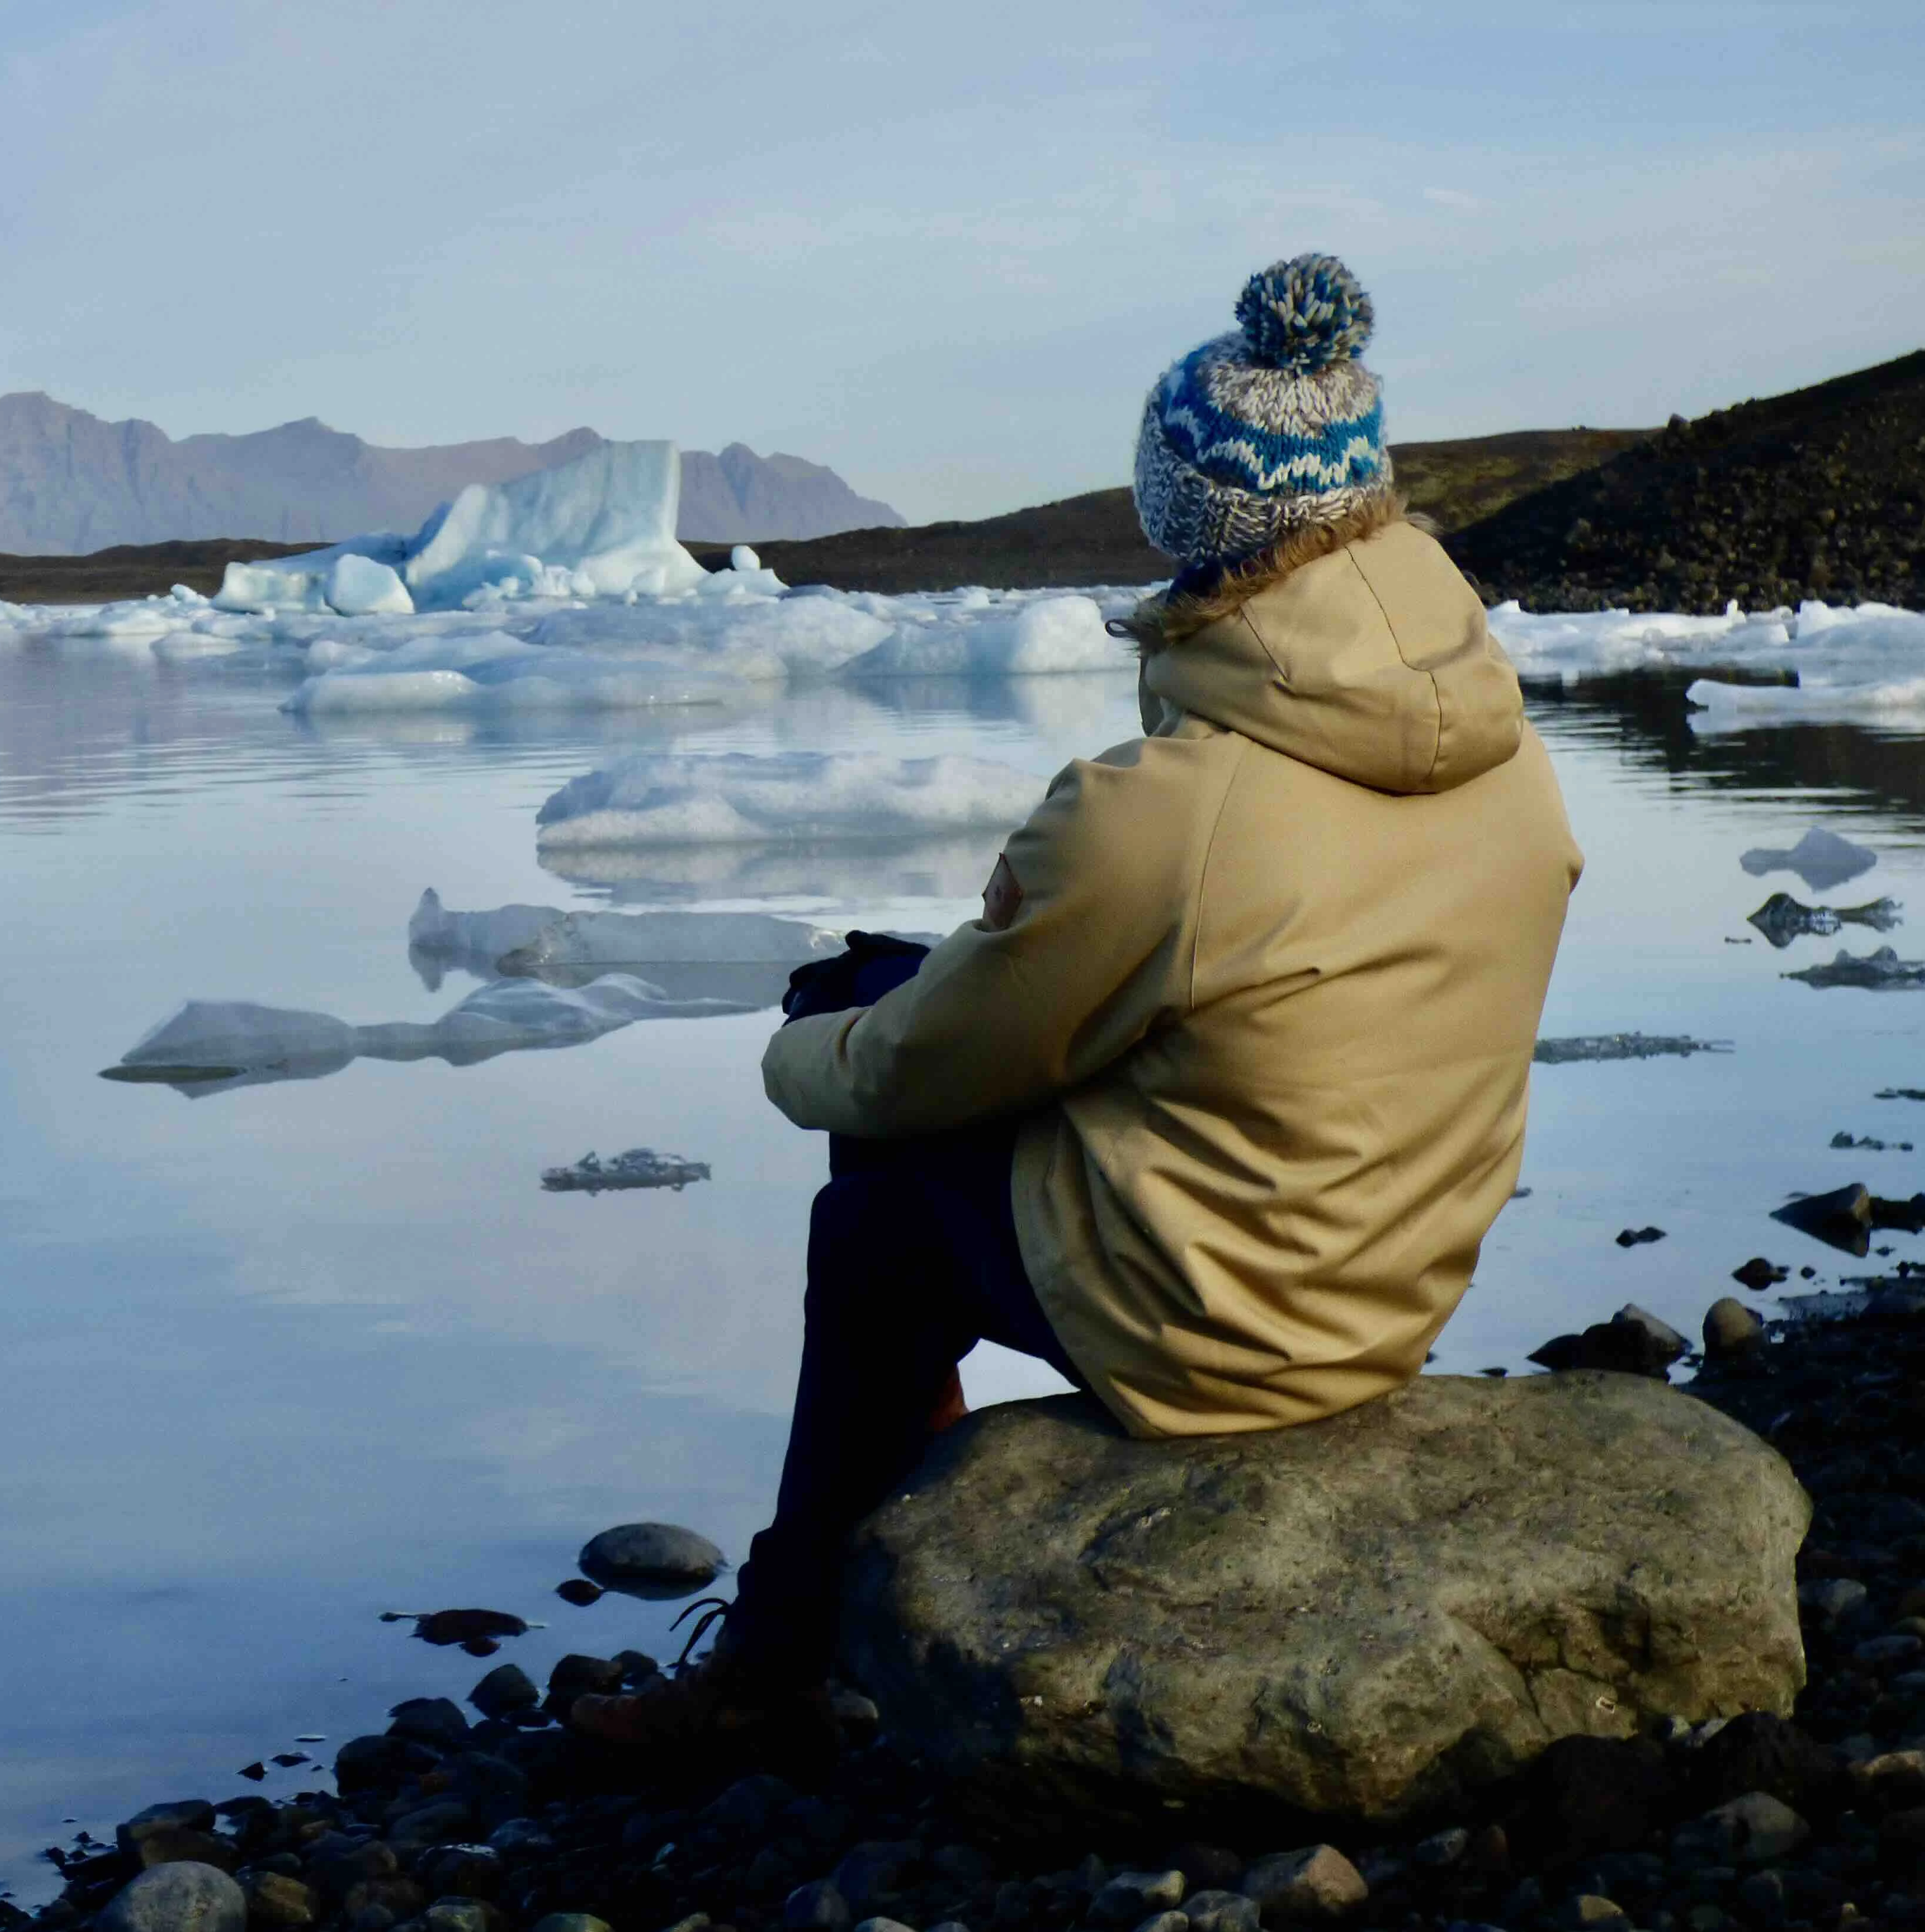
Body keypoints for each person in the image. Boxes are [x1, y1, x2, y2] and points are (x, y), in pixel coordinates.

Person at [574, 253, 1584, 1754]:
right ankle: (889, 1508)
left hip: (1233, 1322)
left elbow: (929, 1068)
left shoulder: (1168, 810)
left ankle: (788, 1651)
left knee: (872, 1214)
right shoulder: (1499, 742)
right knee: (895, 994)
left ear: (1186, 521)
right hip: (1392, 1279)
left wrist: (799, 1053)